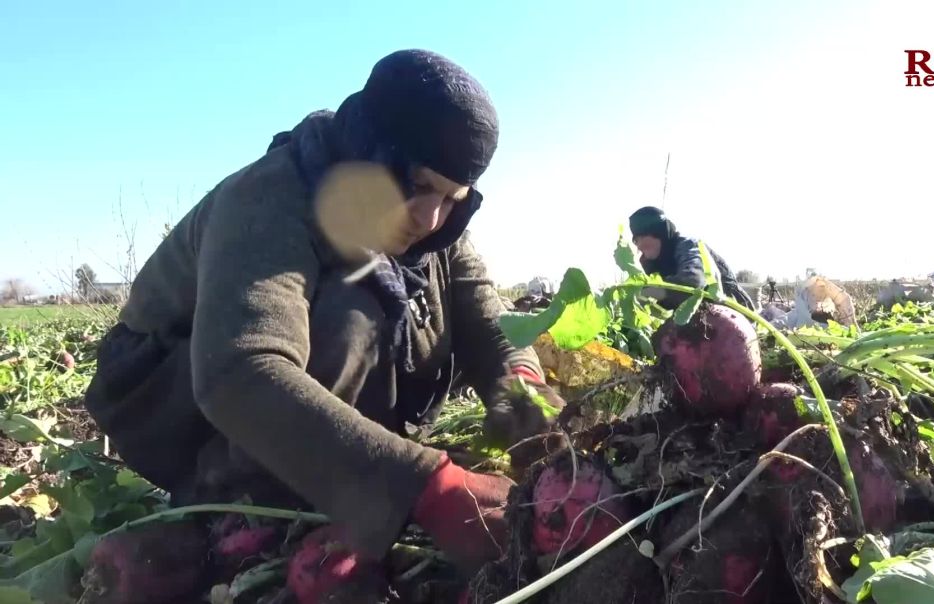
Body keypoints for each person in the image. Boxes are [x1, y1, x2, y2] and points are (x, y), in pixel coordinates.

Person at [82, 49, 565, 588]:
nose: (430, 218)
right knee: (354, 314)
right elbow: (239, 371)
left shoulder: (438, 232)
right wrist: (431, 490)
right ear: (370, 152)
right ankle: (237, 507)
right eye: (420, 184)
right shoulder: (270, 195)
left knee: (416, 306)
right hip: (172, 399)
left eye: (453, 198)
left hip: (253, 390)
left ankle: (348, 474)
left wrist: (524, 392)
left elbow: (491, 327)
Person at [628, 206, 756, 311]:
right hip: (696, 323)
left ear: (658, 233)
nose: (639, 246)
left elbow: (692, 285)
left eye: (640, 238)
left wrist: (644, 294)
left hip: (732, 314)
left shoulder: (688, 246)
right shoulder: (650, 262)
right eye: (635, 241)